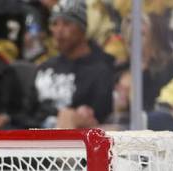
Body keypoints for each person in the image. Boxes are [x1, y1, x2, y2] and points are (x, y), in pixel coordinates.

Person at [20, 0, 115, 128]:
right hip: (36, 135)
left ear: (82, 28)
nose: (59, 30)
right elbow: (26, 113)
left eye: (67, 23)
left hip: (74, 141)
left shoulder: (100, 70)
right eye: (54, 24)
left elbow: (98, 119)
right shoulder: (45, 67)